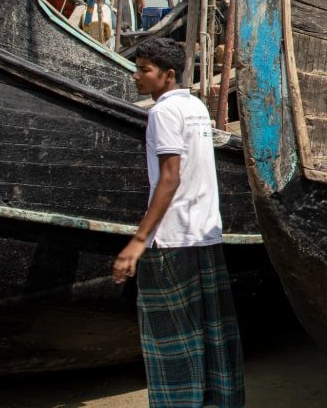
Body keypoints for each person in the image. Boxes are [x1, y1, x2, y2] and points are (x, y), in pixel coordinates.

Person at [113, 37, 244, 407]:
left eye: (144, 70)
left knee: (170, 340)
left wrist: (139, 241)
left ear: (168, 75)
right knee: (209, 334)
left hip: (171, 240)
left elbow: (170, 177)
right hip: (204, 234)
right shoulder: (195, 106)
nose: (136, 76)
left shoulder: (162, 113)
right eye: (137, 67)